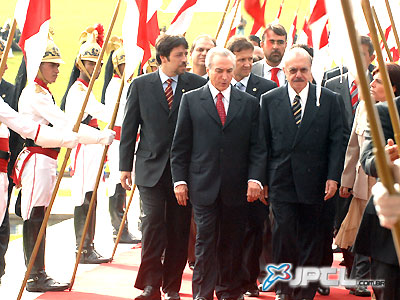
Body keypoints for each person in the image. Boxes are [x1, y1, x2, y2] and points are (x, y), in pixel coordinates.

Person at [14, 37, 115, 292]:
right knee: (35, 216)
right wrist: (100, 137)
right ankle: (35, 275)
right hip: (37, 159)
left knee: (39, 215)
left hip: (46, 159)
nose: (58, 69)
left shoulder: (43, 92)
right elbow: (65, 124)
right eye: (52, 65)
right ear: (38, 65)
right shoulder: (35, 94)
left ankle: (38, 272)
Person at [171, 47, 266, 300]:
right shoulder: (191, 100)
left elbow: (258, 147)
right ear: (208, 69)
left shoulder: (248, 103)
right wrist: (179, 181)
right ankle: (202, 293)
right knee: (205, 243)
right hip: (202, 186)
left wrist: (255, 179)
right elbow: (180, 146)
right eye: (219, 71)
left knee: (232, 243)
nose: (224, 77)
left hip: (236, 189)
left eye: (229, 71)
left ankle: (228, 291)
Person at [119, 34, 207, 300]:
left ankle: (171, 287)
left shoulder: (196, 84)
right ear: (163, 58)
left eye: (185, 53)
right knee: (153, 224)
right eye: (180, 55)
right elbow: (129, 127)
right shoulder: (140, 85)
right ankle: (150, 285)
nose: (185, 59)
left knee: (179, 229)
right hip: (149, 169)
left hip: (184, 172)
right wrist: (125, 167)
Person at [260, 47, 343, 300]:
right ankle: (284, 288)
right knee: (284, 235)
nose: (298, 75)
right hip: (281, 180)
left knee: (312, 237)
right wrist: (261, 180)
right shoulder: (270, 99)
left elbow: (337, 141)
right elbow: (262, 143)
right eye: (293, 70)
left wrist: (333, 177)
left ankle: (305, 291)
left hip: (316, 181)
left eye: (303, 70)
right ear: (284, 71)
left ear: (311, 70)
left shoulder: (328, 99)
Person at [337, 63, 400, 297]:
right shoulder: (384, 112)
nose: (372, 85)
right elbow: (367, 159)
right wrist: (385, 158)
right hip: (390, 219)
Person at [226, 35, 276, 297]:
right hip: (225, 173)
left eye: (250, 59)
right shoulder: (216, 86)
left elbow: (269, 135)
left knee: (255, 228)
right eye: (241, 59)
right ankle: (229, 278)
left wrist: (263, 177)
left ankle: (249, 280)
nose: (247, 64)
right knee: (229, 229)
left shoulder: (267, 88)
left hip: (256, 171)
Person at [62, 25, 115, 264]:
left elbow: (101, 111)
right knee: (84, 197)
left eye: (98, 64)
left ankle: (88, 244)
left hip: (93, 146)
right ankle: (82, 248)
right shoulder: (77, 90)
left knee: (92, 197)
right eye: (90, 63)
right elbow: (76, 125)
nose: (95, 67)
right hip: (85, 147)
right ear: (80, 64)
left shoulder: (87, 90)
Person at [102, 37, 139, 244]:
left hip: (129, 137)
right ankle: (119, 227)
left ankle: (123, 225)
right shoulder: (116, 85)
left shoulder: (127, 83)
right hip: (119, 138)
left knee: (125, 184)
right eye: (125, 64)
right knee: (118, 183)